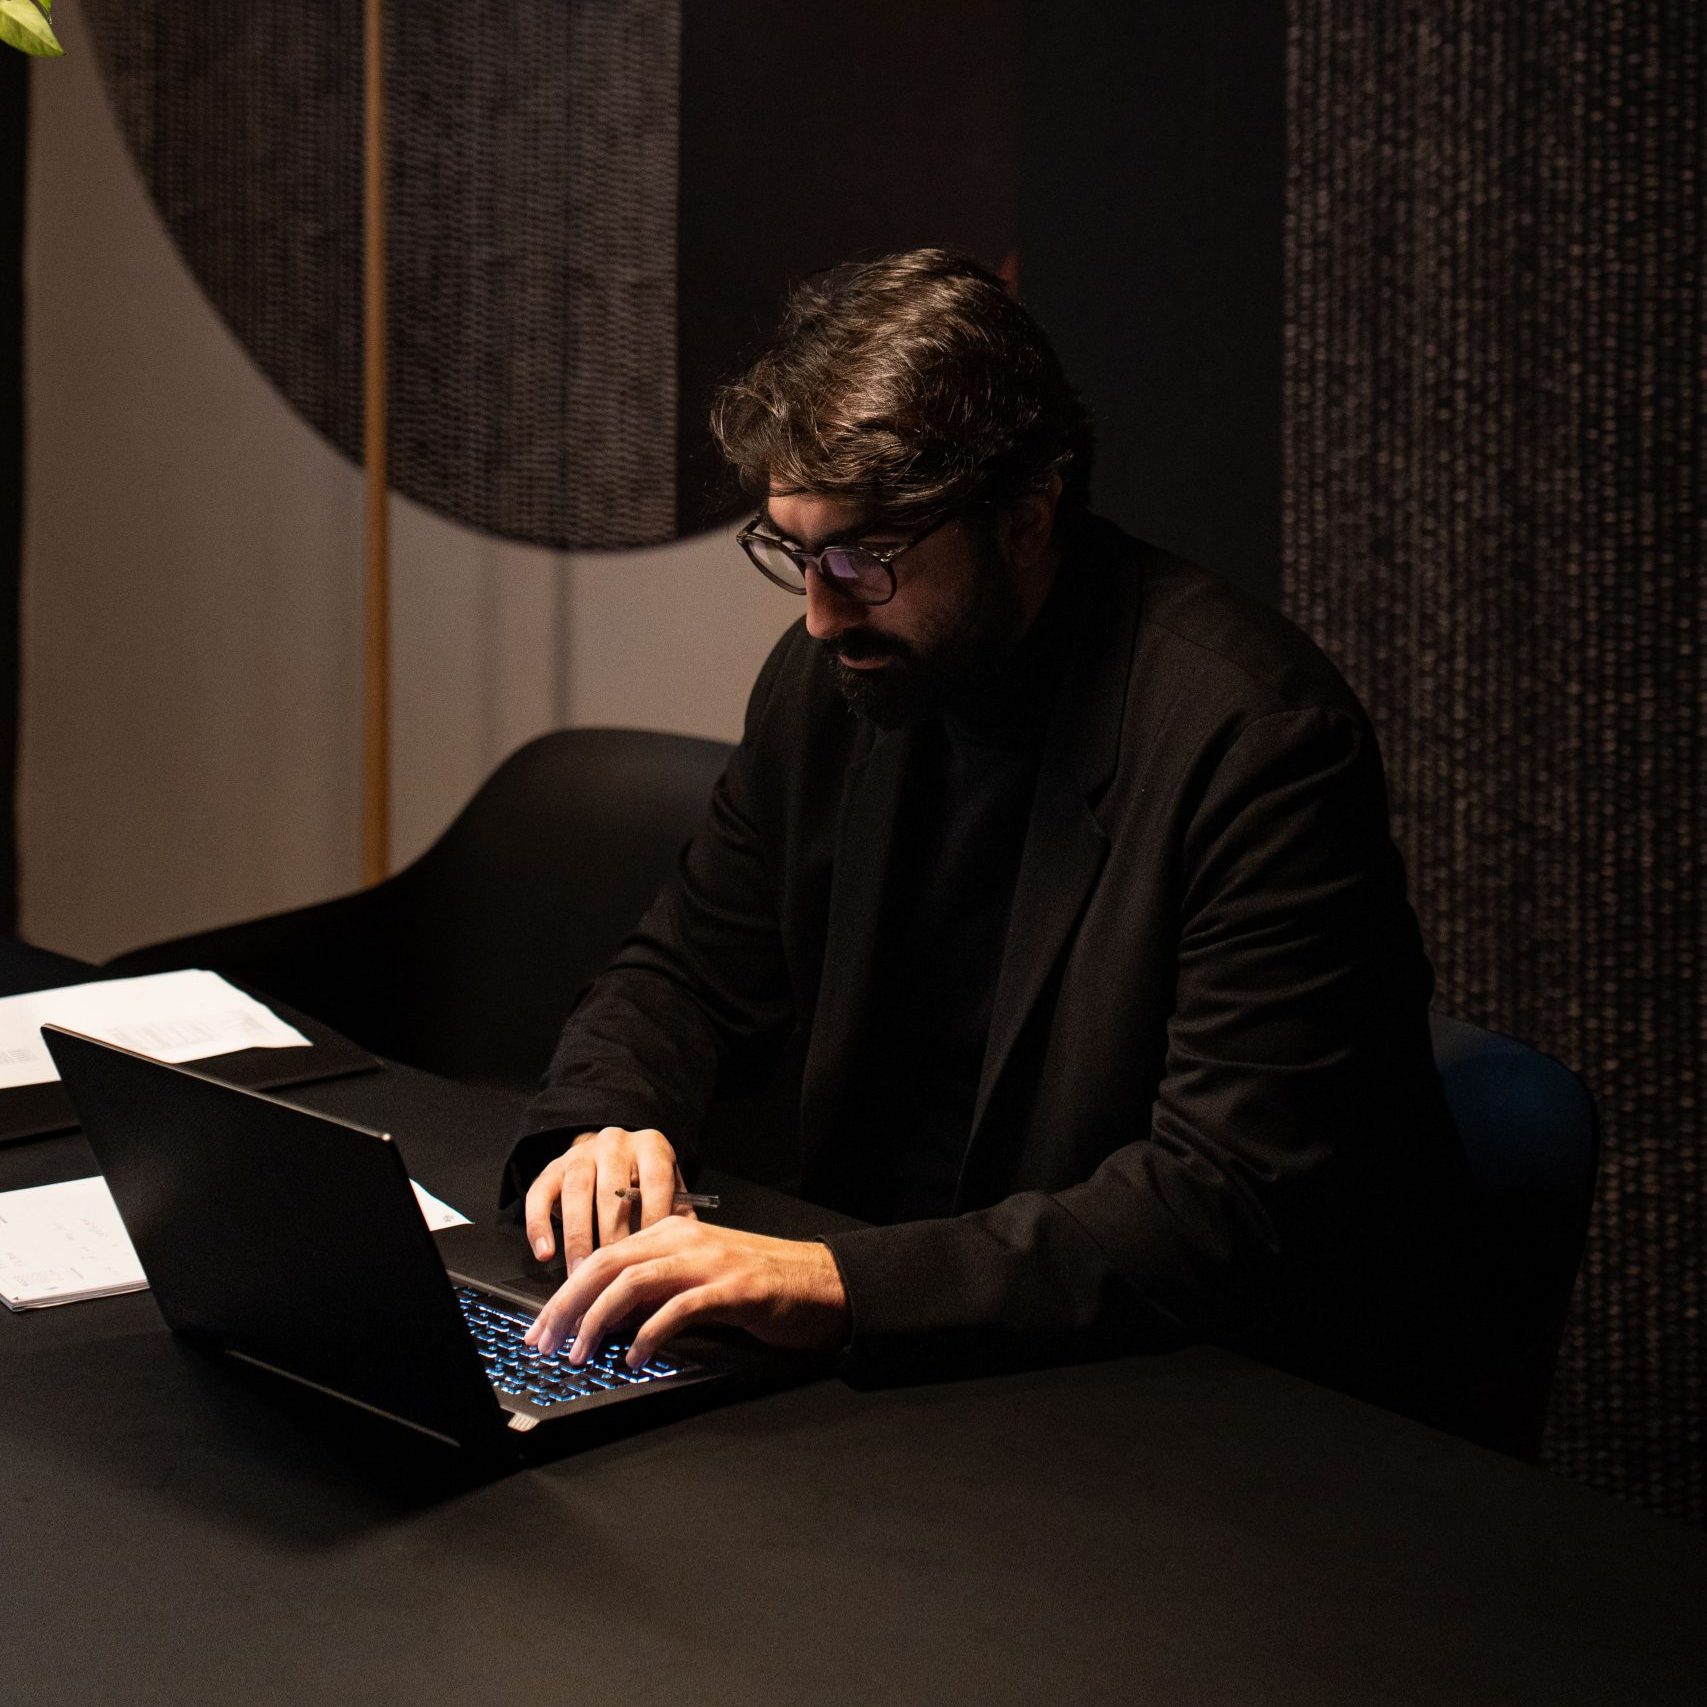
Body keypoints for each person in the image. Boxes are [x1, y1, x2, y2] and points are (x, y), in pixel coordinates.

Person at [510, 247, 1483, 1424]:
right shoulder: (834, 683)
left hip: (1207, 1405)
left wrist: (832, 1284)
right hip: (927, 1371)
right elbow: (682, 970)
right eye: (796, 551)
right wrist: (607, 1124)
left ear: (1026, 516)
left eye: (865, 556)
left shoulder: (1258, 741)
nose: (820, 612)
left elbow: (1221, 1203)